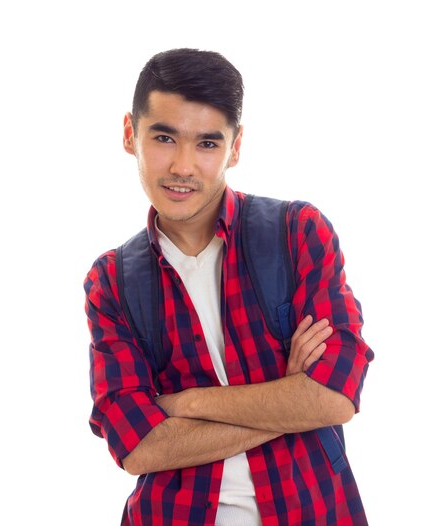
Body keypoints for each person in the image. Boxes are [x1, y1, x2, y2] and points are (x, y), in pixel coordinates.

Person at [84, 48, 374, 525]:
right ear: (129, 134)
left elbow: (335, 396)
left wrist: (187, 404)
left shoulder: (297, 233)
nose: (182, 166)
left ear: (235, 148)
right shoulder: (112, 281)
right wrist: (285, 395)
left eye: (207, 143)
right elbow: (135, 445)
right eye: (163, 137)